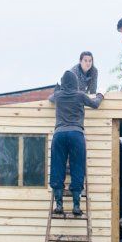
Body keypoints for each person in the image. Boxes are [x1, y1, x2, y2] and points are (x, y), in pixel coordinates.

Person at [49, 70, 106, 215]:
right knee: (77, 167)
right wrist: (100, 94)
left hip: (59, 134)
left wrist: (58, 89)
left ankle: (59, 205)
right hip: (76, 134)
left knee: (57, 167)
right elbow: (95, 104)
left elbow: (50, 98)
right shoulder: (80, 95)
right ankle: (76, 206)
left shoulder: (58, 95)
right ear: (75, 82)